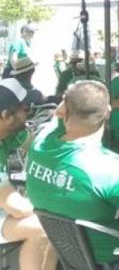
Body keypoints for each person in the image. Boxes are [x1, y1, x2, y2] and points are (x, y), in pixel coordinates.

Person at [26, 80, 119, 266]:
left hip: (66, 254)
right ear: (108, 113)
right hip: (111, 259)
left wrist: (67, 104)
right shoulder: (113, 170)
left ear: (64, 110)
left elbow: (57, 121)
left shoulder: (41, 143)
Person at [0, 78, 56, 270]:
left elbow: (40, 148)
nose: (29, 113)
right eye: (26, 109)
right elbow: (16, 207)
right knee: (47, 227)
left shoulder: (8, 132)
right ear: (6, 115)